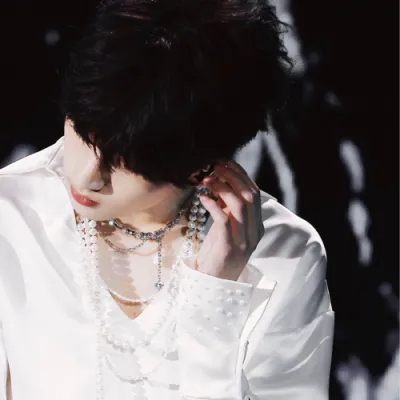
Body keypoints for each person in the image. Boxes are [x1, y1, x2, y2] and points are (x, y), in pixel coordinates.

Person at [0, 0, 334, 399]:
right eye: (83, 133)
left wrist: (215, 297)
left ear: (200, 166)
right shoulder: (14, 212)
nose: (87, 177)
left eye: (124, 165)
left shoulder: (284, 256)